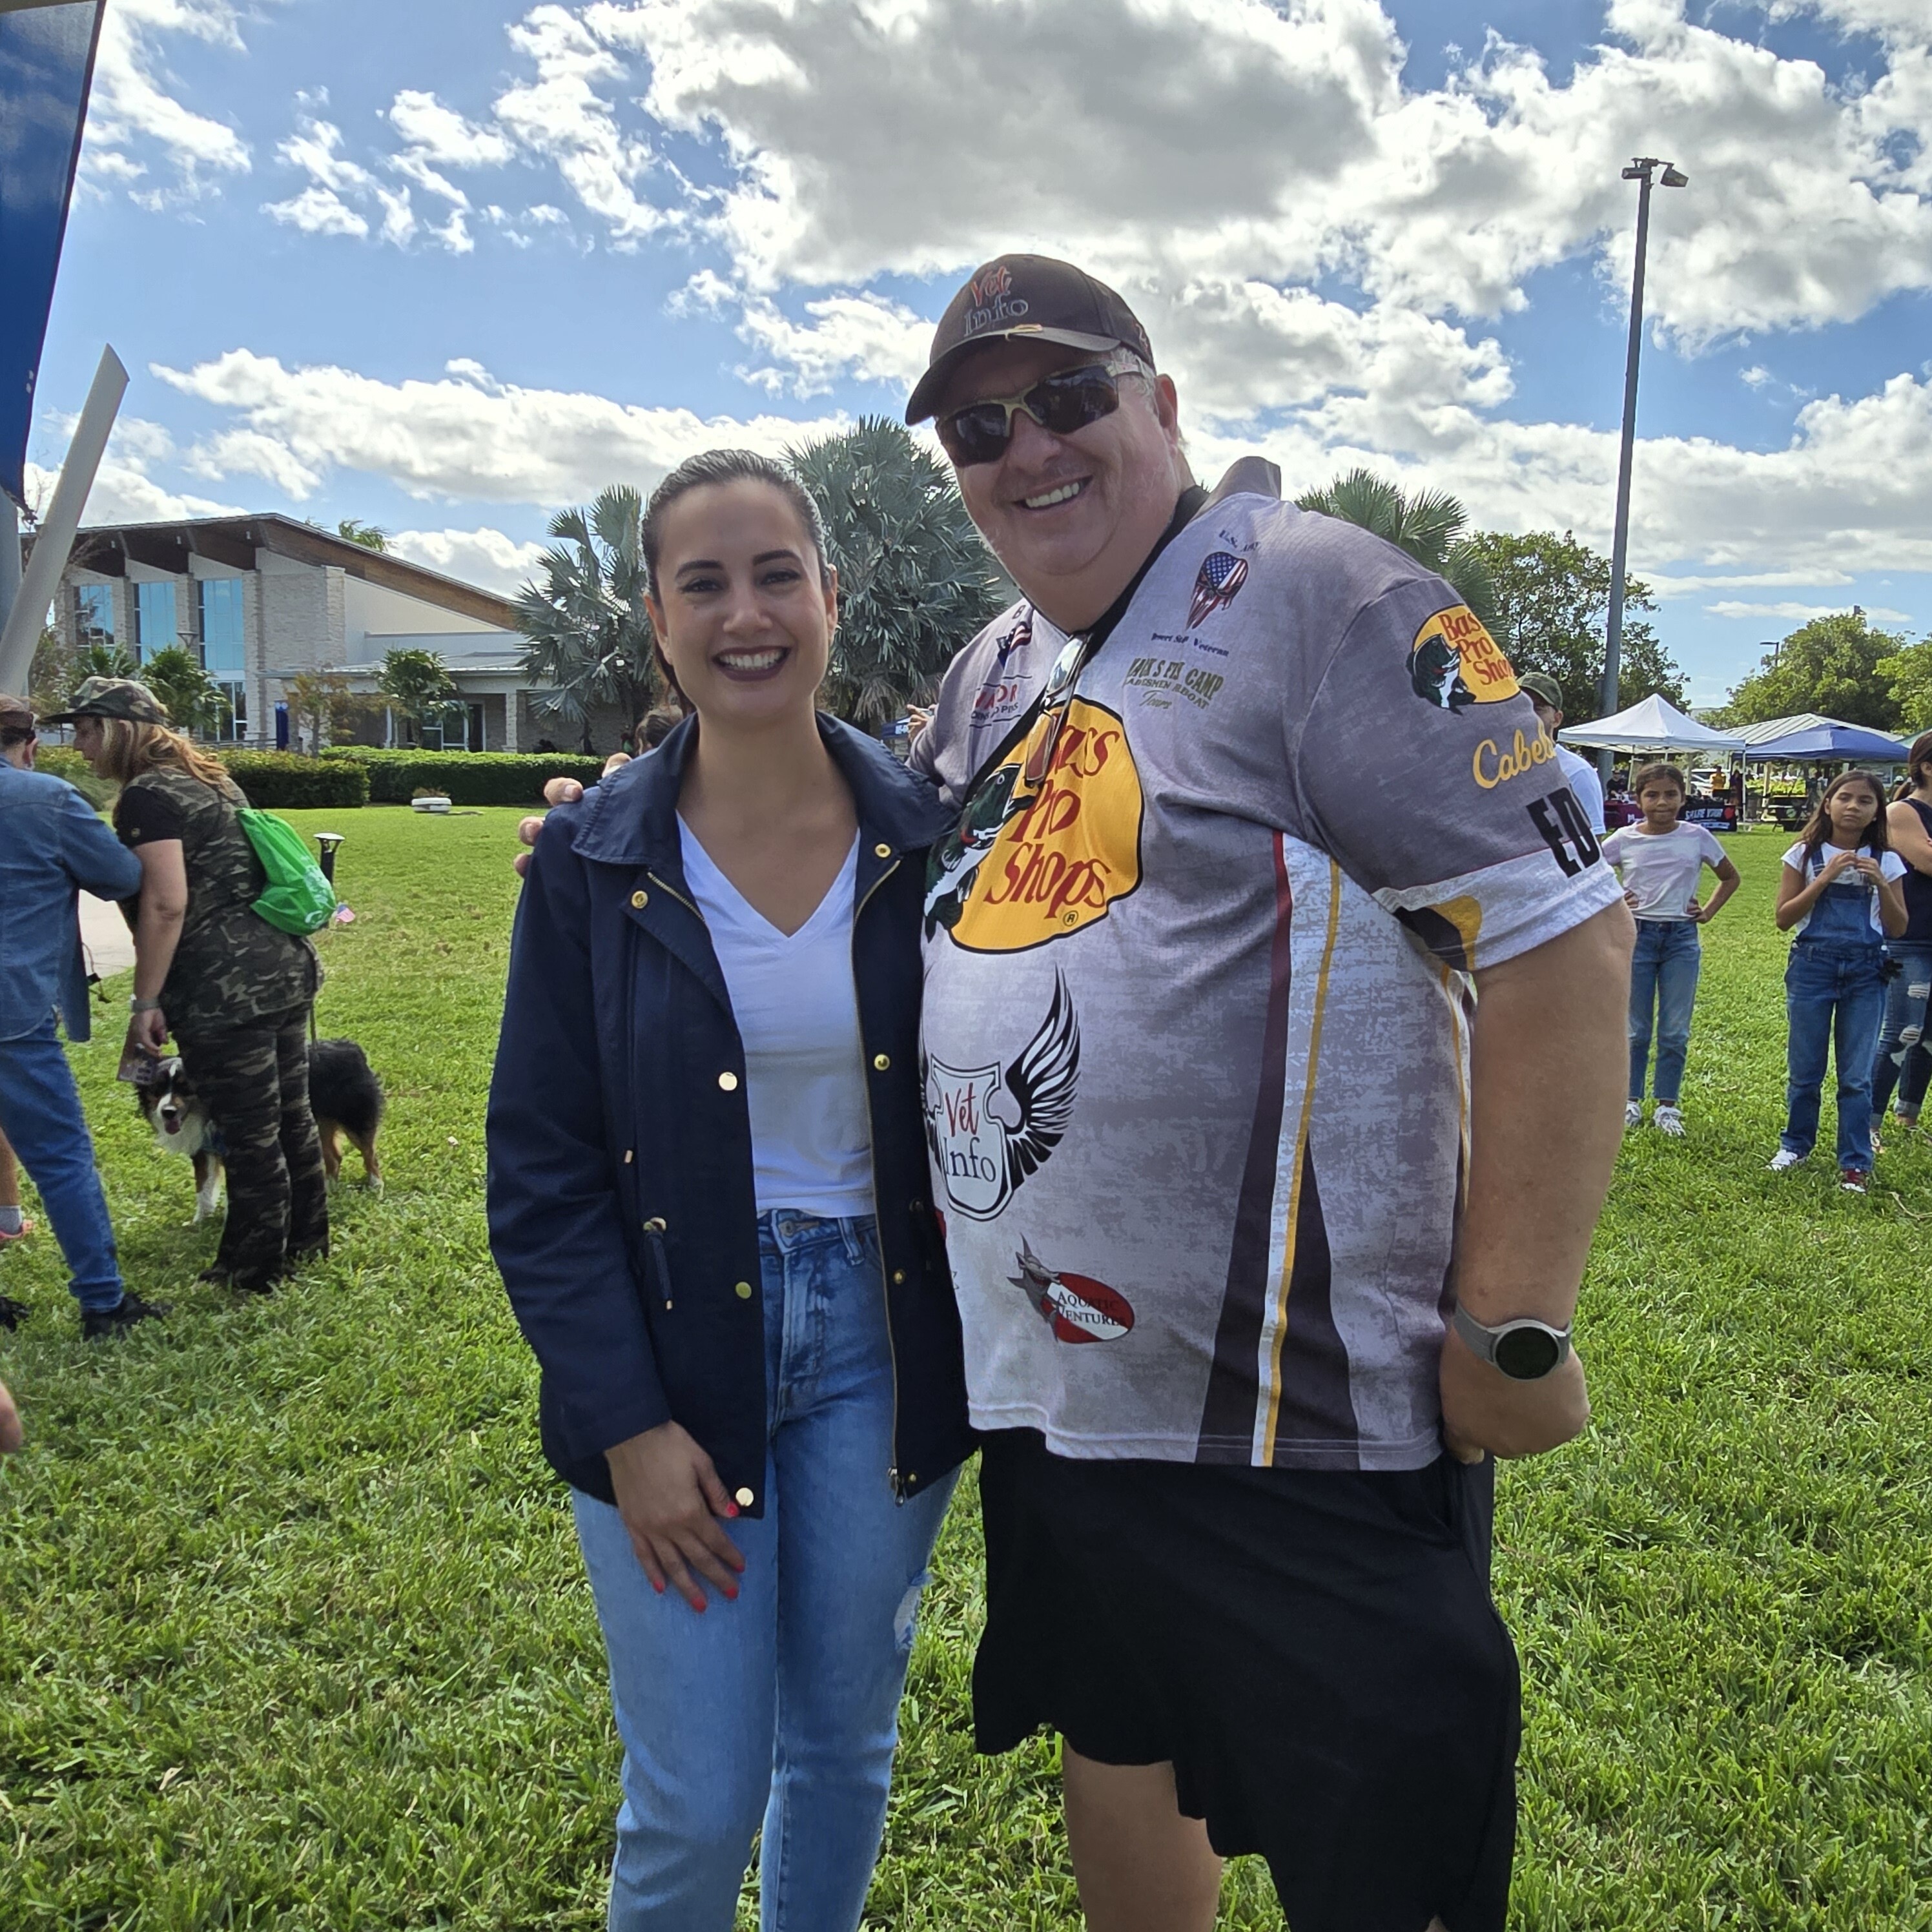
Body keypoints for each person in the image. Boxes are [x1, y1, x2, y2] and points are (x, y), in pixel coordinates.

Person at [898, 256, 1630, 1932]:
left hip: (1305, 1430)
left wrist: (1512, 1329)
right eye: (982, 425)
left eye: (1070, 398)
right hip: (1064, 1406)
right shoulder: (995, 671)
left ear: (1161, 406)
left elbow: (1562, 939)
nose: (1029, 448)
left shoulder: (1333, 598)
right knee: (1124, 1739)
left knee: (1377, 1848)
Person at [488, 450, 971, 1932]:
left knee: (841, 1750)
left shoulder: (935, 832)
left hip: (882, 1355)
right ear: (657, 619)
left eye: (777, 575)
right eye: (704, 582)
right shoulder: (588, 855)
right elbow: (541, 1169)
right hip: (671, 1352)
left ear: (831, 596)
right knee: (696, 1797)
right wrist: (628, 1425)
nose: (744, 612)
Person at [52, 677, 328, 1292]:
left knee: (248, 1132)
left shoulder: (147, 798)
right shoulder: (213, 779)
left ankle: (250, 1269)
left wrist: (145, 999)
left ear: (120, 729)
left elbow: (166, 905)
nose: (78, 745)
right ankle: (308, 1240)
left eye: (86, 729)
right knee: (291, 1116)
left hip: (222, 988)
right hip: (282, 966)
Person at [0, 692, 163, 1338]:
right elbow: (123, 876)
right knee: (61, 1154)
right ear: (31, 746)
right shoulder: (45, 798)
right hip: (13, 1008)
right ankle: (103, 1302)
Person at [1769, 768, 1908, 1192]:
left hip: (1867, 972)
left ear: (1876, 812)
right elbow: (1783, 918)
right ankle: (1796, 1143)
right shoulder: (1804, 855)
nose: (1853, 807)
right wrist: (1825, 879)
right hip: (1813, 966)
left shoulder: (1888, 860)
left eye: (1865, 801)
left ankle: (1855, 1161)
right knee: (1806, 1068)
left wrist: (1882, 884)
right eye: (1844, 798)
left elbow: (1899, 927)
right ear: (1827, 803)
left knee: (1856, 1075)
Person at [1600, 762, 1741, 1136]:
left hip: (1680, 939)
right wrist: (1616, 901)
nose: (1661, 802)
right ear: (1637, 799)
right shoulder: (1624, 840)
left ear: (1682, 798)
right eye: (1652, 795)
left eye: (1670, 794)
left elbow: (1730, 876)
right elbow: (1589, 876)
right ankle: (1630, 1101)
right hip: (1638, 937)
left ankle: (1667, 1105)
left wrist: (1707, 911)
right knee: (1636, 1029)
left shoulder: (1697, 837)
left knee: (1675, 1029)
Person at [1869, 731, 1932, 1140]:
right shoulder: (1902, 812)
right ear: (1927, 767)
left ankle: (1907, 1117)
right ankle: (1867, 1123)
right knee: (1902, 1031)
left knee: (1929, 1036)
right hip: (1910, 937)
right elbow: (1928, 862)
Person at [1517, 672, 1605, 833]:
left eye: (1538, 708)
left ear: (1557, 719)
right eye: (1521, 706)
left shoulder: (1577, 772)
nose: (1527, 715)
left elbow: (1593, 842)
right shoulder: (1495, 770)